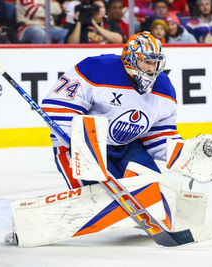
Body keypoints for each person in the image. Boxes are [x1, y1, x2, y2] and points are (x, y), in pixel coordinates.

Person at [41, 32, 182, 187]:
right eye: (147, 62)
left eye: (155, 63)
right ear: (131, 60)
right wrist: (79, 142)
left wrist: (184, 157)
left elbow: (160, 134)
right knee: (97, 199)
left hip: (128, 147)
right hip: (83, 143)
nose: (152, 68)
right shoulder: (97, 69)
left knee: (153, 190)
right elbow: (57, 106)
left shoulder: (164, 88)